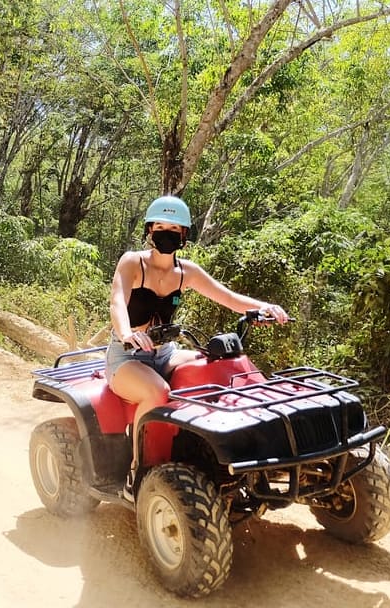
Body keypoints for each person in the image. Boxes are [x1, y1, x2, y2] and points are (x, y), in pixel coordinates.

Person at [107, 195, 289, 497]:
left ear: (183, 236)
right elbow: (117, 301)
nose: (166, 233)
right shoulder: (132, 263)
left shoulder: (186, 272)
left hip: (165, 353)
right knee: (157, 392)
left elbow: (228, 298)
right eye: (160, 226)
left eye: (174, 228)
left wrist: (264, 306)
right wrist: (127, 333)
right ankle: (137, 470)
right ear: (149, 231)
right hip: (126, 357)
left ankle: (245, 448)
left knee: (220, 365)